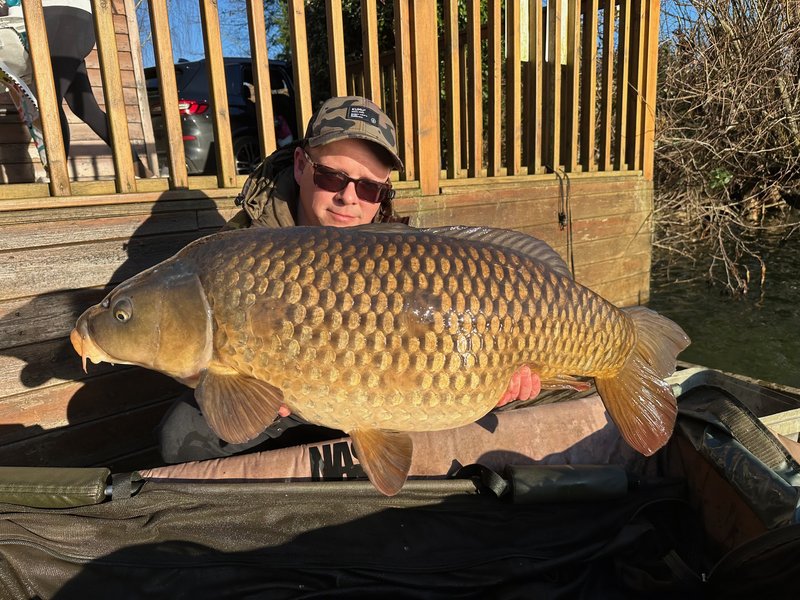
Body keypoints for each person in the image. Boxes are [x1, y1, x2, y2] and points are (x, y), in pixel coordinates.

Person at [157, 95, 540, 463]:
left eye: (370, 187)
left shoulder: (404, 250)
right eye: (331, 177)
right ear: (301, 165)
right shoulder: (243, 248)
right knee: (181, 436)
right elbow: (189, 344)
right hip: (280, 397)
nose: (349, 198)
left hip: (385, 392)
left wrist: (489, 381)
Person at [40, 0, 151, 176]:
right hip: (77, 18)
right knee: (85, 108)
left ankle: (56, 177)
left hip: (60, 15)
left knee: (49, 102)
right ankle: (141, 170)